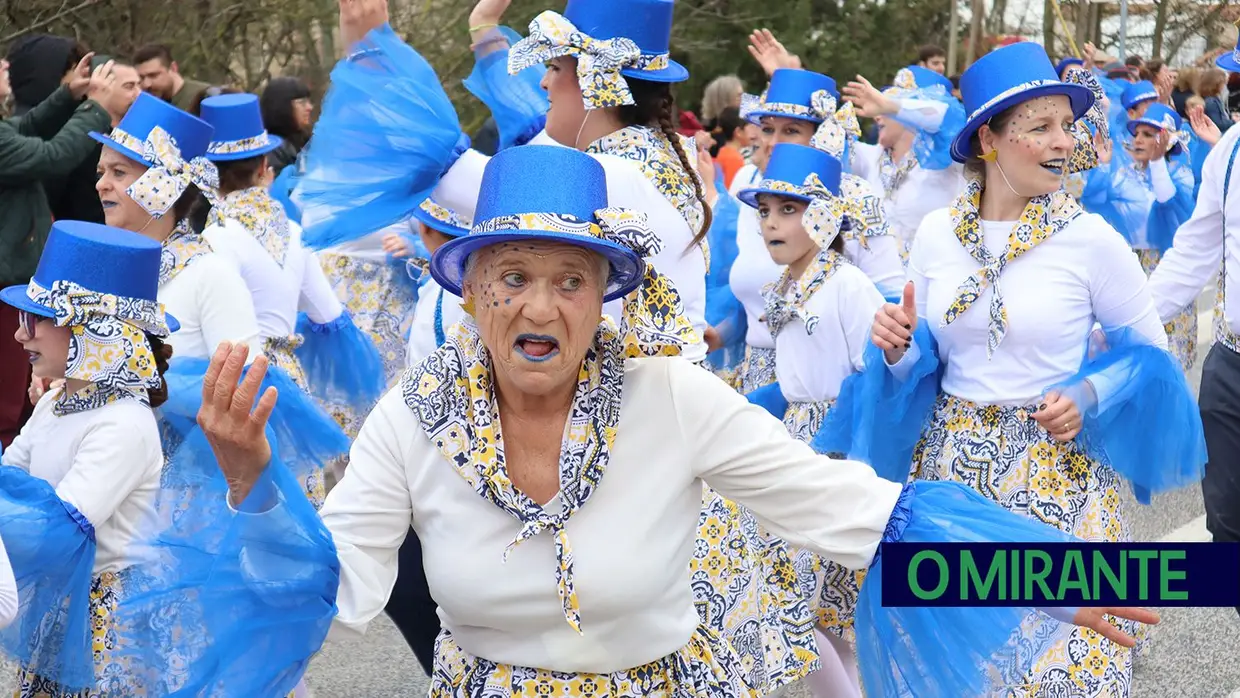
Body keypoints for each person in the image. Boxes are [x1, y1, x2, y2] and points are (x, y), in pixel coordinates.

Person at [156, 144, 1157, 698]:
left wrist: (1066, 571)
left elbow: (847, 504)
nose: (539, 308)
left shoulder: (669, 396)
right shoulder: (411, 420)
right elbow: (326, 583)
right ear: (471, 297)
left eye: (569, 281)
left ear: (604, 299)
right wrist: (251, 479)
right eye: (512, 277)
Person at [824, 41, 1204, 697]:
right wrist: (896, 344)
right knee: (959, 675)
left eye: (1067, 124)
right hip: (953, 484)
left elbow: (1151, 358)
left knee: (1058, 673)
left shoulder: (1091, 241)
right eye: (1041, 128)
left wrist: (1088, 393)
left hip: (1060, 485)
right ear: (991, 141)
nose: (1065, 141)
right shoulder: (939, 236)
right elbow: (926, 355)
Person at [0, 220, 176, 696]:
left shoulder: (124, 425)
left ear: (95, 333)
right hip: (63, 604)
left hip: (105, 627)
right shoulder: (57, 404)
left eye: (35, 320)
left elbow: (56, 527)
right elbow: (10, 476)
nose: (20, 336)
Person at [737, 142, 887, 697]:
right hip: (796, 441)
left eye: (788, 209)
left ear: (824, 216)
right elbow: (797, 380)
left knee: (788, 604)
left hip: (832, 452)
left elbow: (873, 374)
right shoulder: (790, 286)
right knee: (822, 609)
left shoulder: (848, 285)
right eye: (765, 211)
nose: (770, 223)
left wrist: (835, 451)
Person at [196, 92, 368, 506]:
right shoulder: (292, 232)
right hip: (287, 382)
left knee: (240, 503)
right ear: (263, 168)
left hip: (232, 382)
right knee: (299, 500)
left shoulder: (211, 239)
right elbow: (328, 314)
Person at [1146, 41, 1240, 614]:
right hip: (1231, 365)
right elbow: (1192, 256)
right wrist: (1122, 326)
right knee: (1227, 528)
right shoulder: (1229, 152)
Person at [0, 53, 114, 449]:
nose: (5, 65)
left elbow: (24, 128)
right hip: (4, 283)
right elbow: (52, 156)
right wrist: (98, 108)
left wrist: (69, 96)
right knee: (6, 403)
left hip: (9, 277)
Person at [1082, 103, 1198, 373]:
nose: (1139, 139)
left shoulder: (1180, 173)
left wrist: (1157, 164)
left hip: (1169, 267)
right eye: (1137, 134)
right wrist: (1102, 165)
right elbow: (1095, 200)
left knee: (1170, 359)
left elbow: (1168, 203)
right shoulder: (1124, 174)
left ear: (1166, 140)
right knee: (1131, 354)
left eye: (1149, 134)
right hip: (1129, 265)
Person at [844, 65, 966, 263]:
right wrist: (788, 71)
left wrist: (892, 107)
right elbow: (821, 139)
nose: (877, 115)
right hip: (876, 287)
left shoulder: (949, 162)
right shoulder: (871, 158)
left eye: (886, 104)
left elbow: (948, 118)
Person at [132, 44, 210, 112]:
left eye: (153, 75)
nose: (146, 84)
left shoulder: (205, 97)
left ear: (173, 68)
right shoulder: (145, 105)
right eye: (141, 78)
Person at [261, 76, 314, 173]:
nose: (309, 107)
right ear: (282, 107)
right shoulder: (273, 150)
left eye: (308, 101)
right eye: (302, 103)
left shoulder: (304, 140)